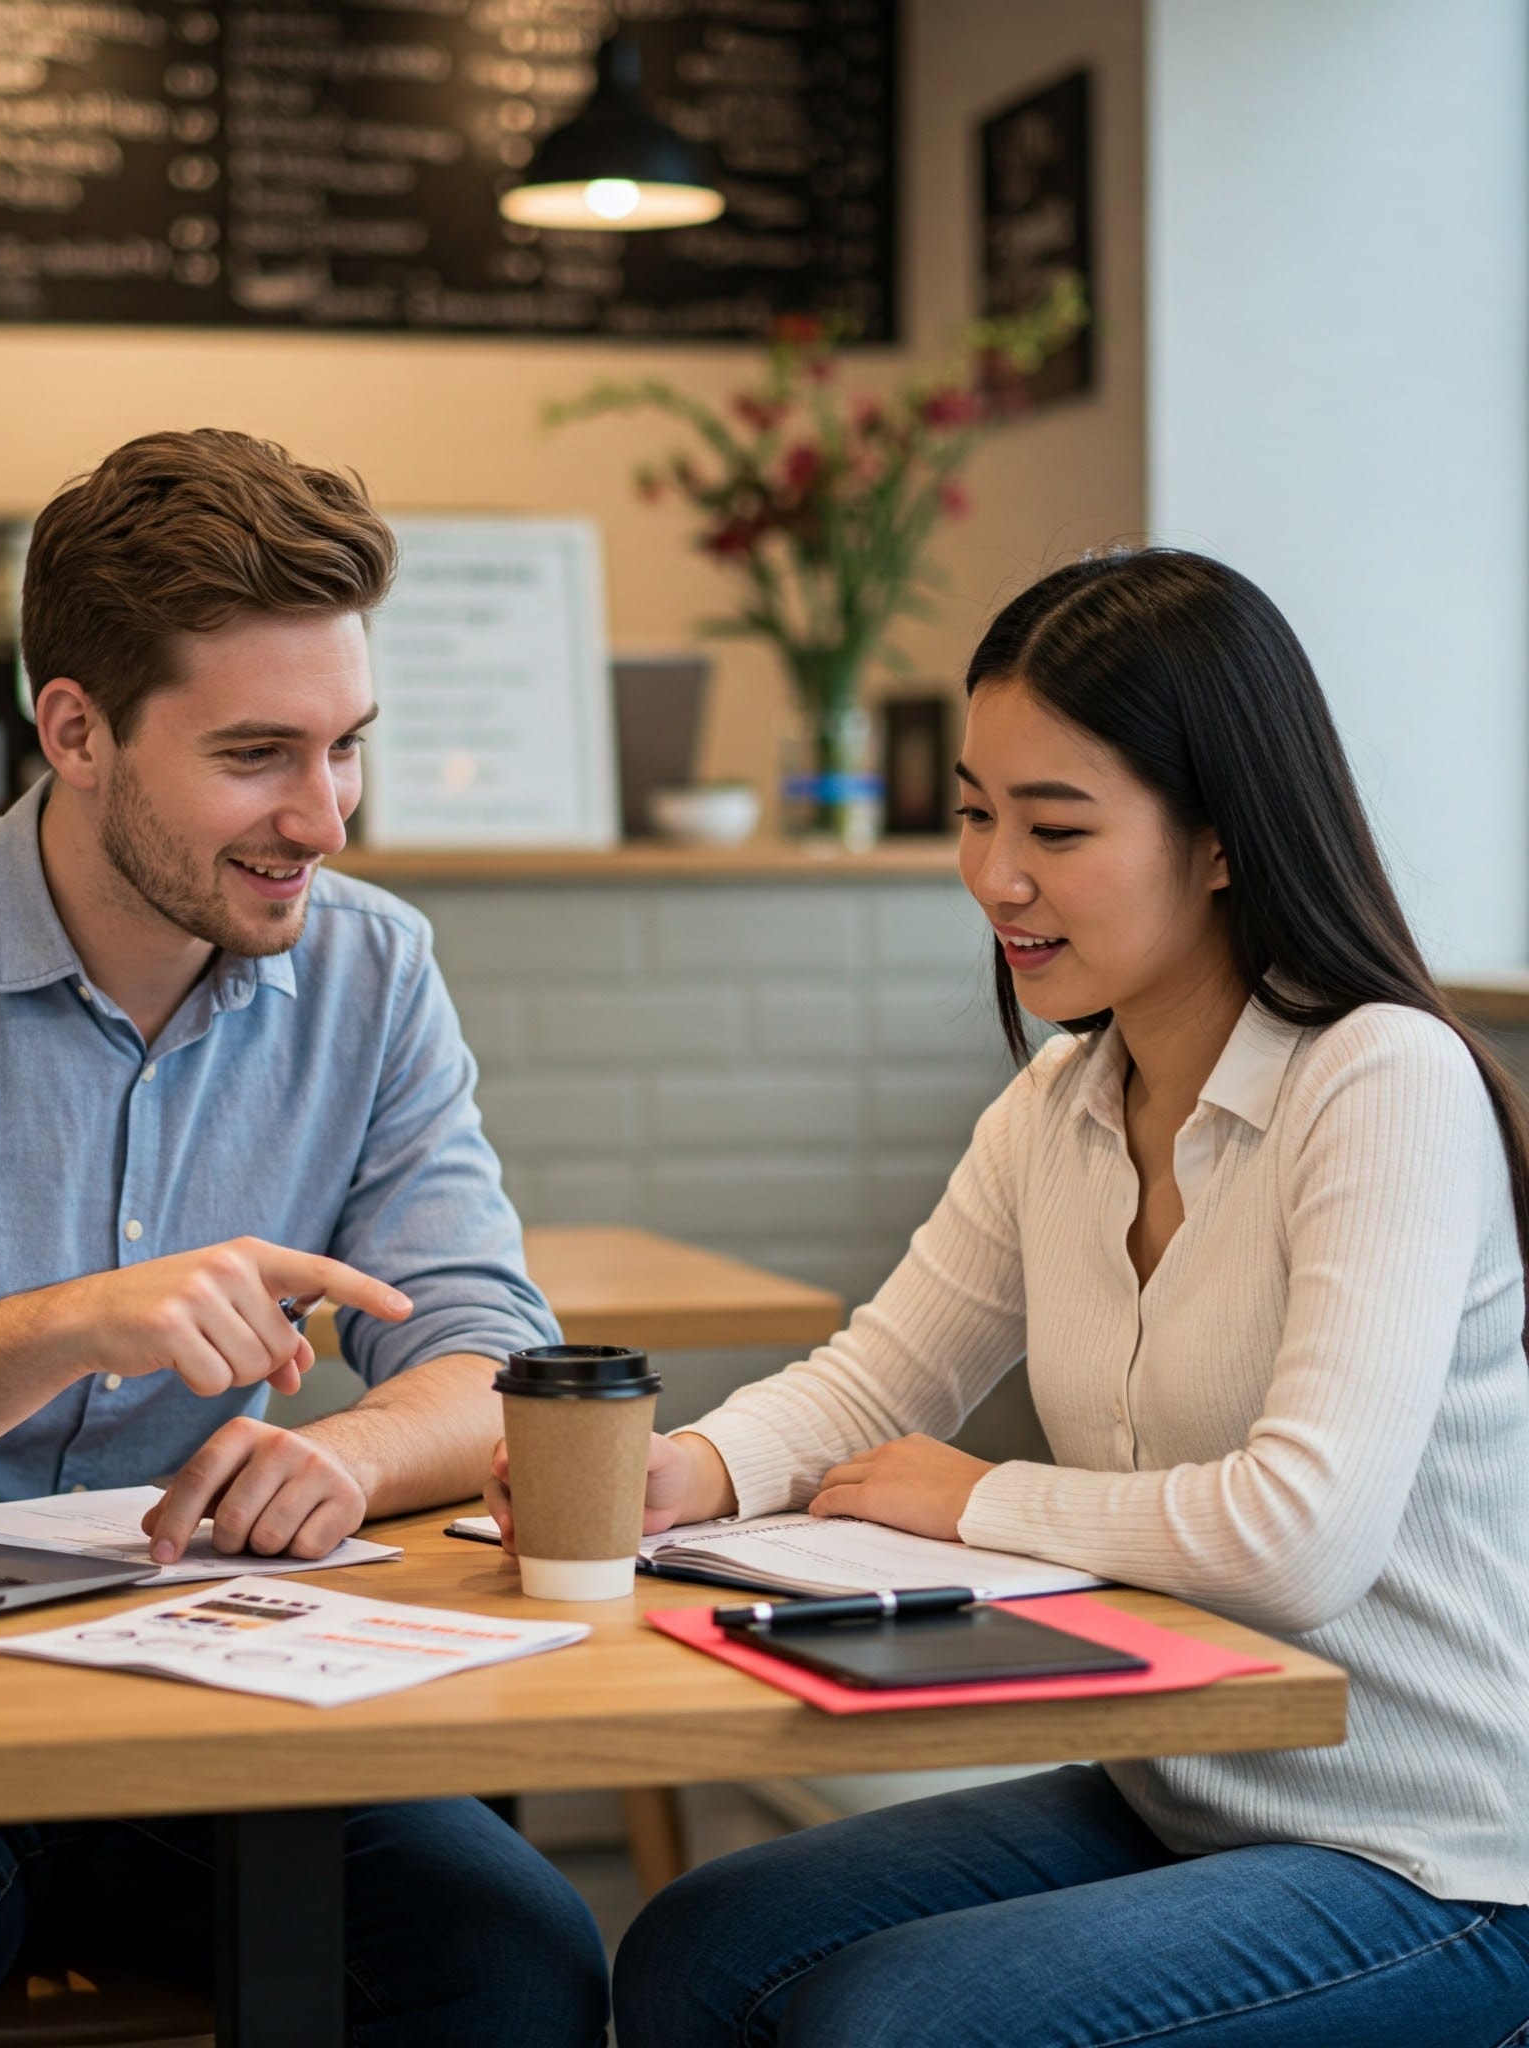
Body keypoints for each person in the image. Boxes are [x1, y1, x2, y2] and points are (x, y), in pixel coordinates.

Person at [494, 547, 1529, 2047]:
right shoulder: (1064, 1104)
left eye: (1057, 825)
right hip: (1176, 1796)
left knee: (890, 2024)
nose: (995, 875)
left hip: (1440, 1865)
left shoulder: (1381, 1081)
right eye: (978, 812)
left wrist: (979, 1500)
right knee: (696, 1946)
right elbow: (876, 1380)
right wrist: (685, 1474)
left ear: (1226, 840)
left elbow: (1300, 1540)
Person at [0, 429, 608, 2048]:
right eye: (258, 755)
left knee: (521, 1965)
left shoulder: (374, 974)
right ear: (76, 729)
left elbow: (488, 1360)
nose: (323, 818)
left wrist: (358, 1457)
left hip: (215, 1689)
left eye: (347, 747)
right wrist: (75, 1321)